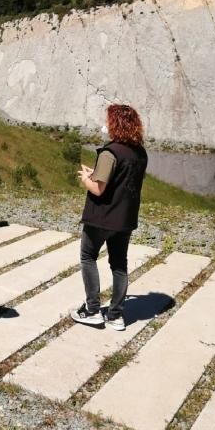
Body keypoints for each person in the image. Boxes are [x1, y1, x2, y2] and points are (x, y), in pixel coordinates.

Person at [71, 104, 148, 331]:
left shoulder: (110, 152)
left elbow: (98, 189)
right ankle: (116, 315)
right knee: (119, 264)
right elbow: (122, 182)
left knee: (88, 257)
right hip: (125, 219)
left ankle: (92, 310)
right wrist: (96, 176)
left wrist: (86, 178)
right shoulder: (140, 153)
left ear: (115, 124)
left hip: (102, 217)